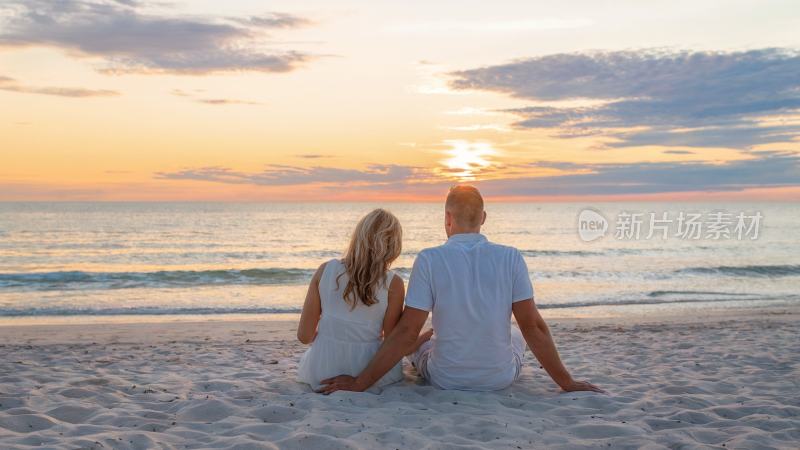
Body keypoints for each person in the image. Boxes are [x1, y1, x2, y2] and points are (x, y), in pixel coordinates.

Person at [318, 185, 602, 394]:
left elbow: (405, 333)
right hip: (499, 378)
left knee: (422, 342)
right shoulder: (511, 257)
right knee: (516, 332)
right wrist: (566, 382)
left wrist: (360, 383)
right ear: (484, 218)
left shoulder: (429, 259)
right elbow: (534, 327)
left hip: (445, 378)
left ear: (447, 218)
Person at [296, 208, 405, 391]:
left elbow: (304, 336)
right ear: (393, 246)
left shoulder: (325, 270)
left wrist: (330, 336)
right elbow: (390, 342)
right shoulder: (393, 283)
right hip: (366, 370)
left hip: (321, 369)